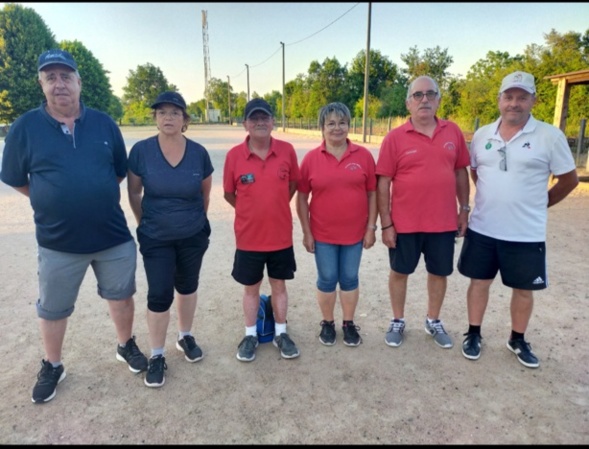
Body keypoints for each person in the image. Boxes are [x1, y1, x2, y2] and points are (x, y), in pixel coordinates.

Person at [0, 49, 148, 403]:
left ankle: (125, 345)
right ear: (41, 84)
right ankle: (53, 364)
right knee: (53, 307)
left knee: (121, 296)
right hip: (57, 241)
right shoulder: (24, 128)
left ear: (79, 82)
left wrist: (87, 193)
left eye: (66, 76)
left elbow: (117, 172)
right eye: (50, 77)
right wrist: (47, 198)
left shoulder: (104, 124)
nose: (59, 84)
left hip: (111, 235)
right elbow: (16, 177)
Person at [457, 71, 579, 368]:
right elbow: (476, 173)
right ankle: (473, 333)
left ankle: (517, 338)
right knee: (478, 283)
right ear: (499, 100)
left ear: (533, 100)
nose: (515, 103)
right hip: (484, 227)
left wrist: (542, 202)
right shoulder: (484, 134)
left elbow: (569, 180)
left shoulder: (550, 136)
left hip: (526, 233)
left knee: (524, 290)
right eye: (509, 97)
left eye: (522, 97)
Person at [376, 75, 470, 349]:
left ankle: (433, 320)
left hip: (442, 223)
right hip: (405, 224)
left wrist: (463, 210)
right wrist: (386, 224)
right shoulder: (394, 138)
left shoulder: (453, 132)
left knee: (439, 273)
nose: (425, 99)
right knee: (399, 272)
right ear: (408, 103)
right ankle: (397, 320)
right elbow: (383, 182)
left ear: (439, 99)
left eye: (431, 94)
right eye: (418, 95)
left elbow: (460, 172)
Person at [127, 91, 213, 387]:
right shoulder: (141, 151)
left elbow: (205, 194)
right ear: (155, 117)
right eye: (162, 112)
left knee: (188, 286)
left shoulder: (199, 152)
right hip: (156, 237)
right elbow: (134, 193)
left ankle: (185, 336)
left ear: (185, 119)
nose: (168, 117)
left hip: (192, 236)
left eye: (175, 113)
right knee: (159, 294)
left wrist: (196, 224)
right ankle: (156, 354)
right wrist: (145, 224)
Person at [223, 98, 301, 362]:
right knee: (251, 289)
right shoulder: (234, 155)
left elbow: (292, 186)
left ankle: (281, 333)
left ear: (273, 122)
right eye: (253, 118)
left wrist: (273, 206)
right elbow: (229, 194)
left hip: (280, 236)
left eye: (264, 117)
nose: (259, 122)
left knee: (279, 286)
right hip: (248, 238)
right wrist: (251, 211)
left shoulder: (287, 151)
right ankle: (250, 335)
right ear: (244, 123)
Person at [296, 102, 377, 347]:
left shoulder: (363, 156)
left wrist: (371, 227)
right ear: (321, 127)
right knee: (327, 278)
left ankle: (348, 324)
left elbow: (373, 193)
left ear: (349, 125)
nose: (337, 128)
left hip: (355, 234)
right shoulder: (311, 159)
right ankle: (328, 323)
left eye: (342, 122)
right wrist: (306, 232)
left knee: (350, 278)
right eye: (330, 123)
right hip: (322, 234)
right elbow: (301, 197)